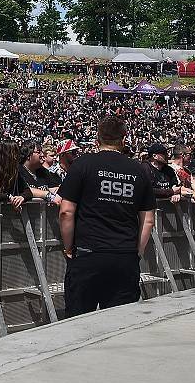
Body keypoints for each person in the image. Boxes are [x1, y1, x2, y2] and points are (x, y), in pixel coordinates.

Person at [57, 115, 156, 317]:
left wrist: (68, 248)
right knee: (118, 325)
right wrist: (136, 252)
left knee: (78, 322)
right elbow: (148, 219)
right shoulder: (138, 170)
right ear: (124, 139)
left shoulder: (83, 164)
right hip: (124, 256)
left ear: (97, 138)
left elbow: (66, 211)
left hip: (88, 254)